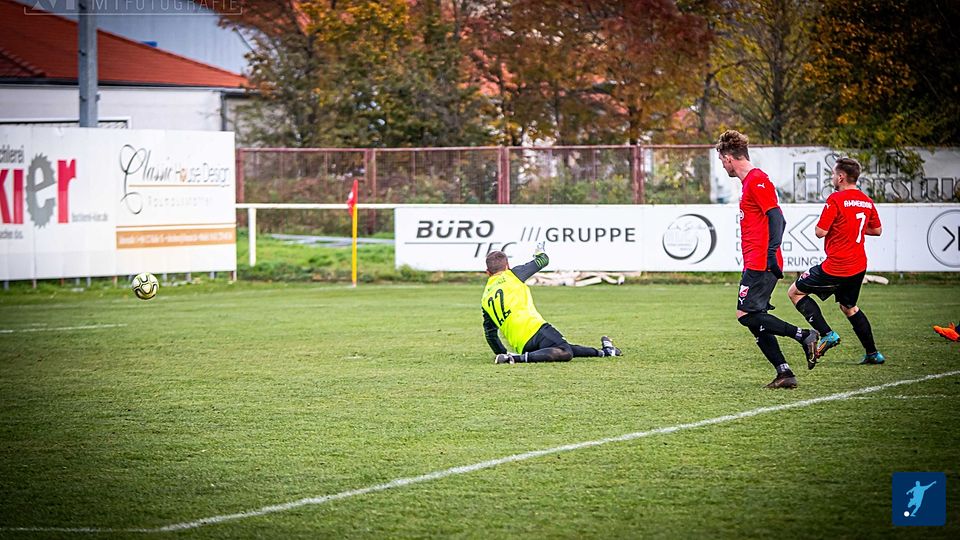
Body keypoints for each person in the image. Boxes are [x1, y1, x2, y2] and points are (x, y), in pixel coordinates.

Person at [716, 130, 819, 389]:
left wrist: (771, 253)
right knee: (755, 318)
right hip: (755, 261)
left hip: (761, 262)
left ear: (729, 158)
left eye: (722, 161)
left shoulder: (757, 180)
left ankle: (804, 335)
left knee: (745, 315)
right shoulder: (749, 183)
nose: (723, 166)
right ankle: (784, 373)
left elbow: (777, 218)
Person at [787, 157, 884, 365]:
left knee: (794, 292)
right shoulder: (866, 201)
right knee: (849, 307)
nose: (832, 177)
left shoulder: (835, 199)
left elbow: (820, 232)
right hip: (858, 265)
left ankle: (827, 334)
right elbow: (877, 230)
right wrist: (849, 228)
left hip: (836, 266)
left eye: (833, 174)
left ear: (841, 177)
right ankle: (873, 353)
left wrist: (837, 226)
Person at [481, 245, 621, 364]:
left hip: (521, 344)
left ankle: (605, 352)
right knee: (565, 351)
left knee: (560, 347)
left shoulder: (485, 298)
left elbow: (490, 334)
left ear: (487, 272)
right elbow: (543, 260)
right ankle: (515, 359)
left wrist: (501, 353)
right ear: (507, 266)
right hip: (535, 328)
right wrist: (539, 252)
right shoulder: (512, 275)